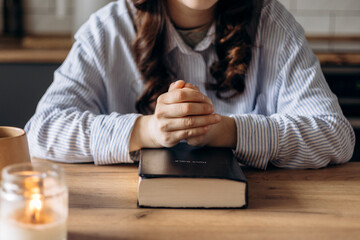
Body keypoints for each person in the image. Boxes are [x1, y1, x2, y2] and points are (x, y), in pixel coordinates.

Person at [25, 0, 355, 169]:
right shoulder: (107, 28)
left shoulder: (273, 23)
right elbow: (41, 130)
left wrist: (229, 131)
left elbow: (335, 135)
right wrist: (146, 131)